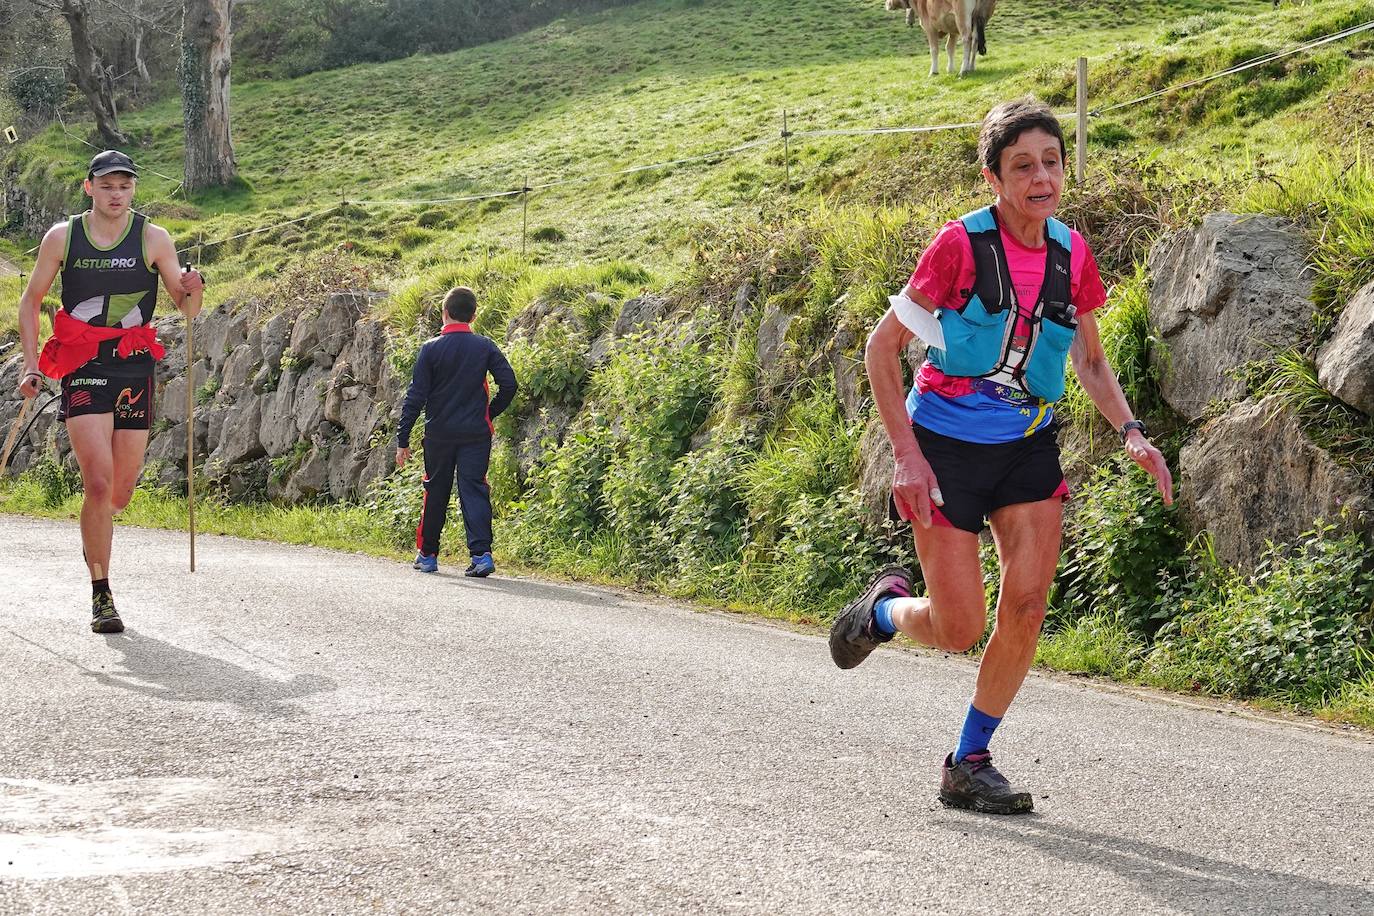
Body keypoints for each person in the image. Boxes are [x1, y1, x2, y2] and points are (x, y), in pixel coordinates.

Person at [829, 98, 1173, 814]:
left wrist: (1132, 432)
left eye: (1051, 161)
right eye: (1023, 165)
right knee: (958, 629)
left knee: (1026, 605)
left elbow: (1090, 360)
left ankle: (969, 760)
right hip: (945, 448)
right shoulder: (958, 246)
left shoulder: (1074, 255)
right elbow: (881, 351)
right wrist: (906, 458)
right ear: (994, 177)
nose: (1041, 176)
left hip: (1026, 445)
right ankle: (885, 611)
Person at [15, 150, 205, 634]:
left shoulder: (153, 237)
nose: (116, 194)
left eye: (124, 186)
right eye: (107, 186)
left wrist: (194, 287)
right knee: (97, 482)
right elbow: (32, 298)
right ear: (89, 188)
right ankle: (101, 591)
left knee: (120, 489)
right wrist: (33, 364)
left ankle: (97, 527)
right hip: (83, 365)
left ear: (133, 189)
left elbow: (186, 309)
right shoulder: (63, 237)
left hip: (133, 366)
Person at [396, 286, 517, 577]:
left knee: (434, 490)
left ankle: (427, 555)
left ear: (444, 313)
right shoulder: (485, 346)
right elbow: (509, 384)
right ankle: (481, 555)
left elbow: (416, 396)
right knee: (474, 489)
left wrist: (402, 440)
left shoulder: (430, 349)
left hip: (439, 433)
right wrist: (488, 413)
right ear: (474, 315)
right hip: (476, 432)